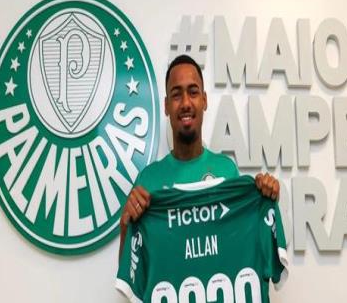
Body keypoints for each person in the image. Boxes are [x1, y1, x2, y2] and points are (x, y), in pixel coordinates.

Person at [118, 54, 280, 255]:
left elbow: (245, 247)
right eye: (176, 95)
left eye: (193, 92)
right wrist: (125, 226)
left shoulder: (226, 171)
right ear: (166, 106)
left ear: (204, 100)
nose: (186, 103)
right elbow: (129, 268)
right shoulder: (147, 181)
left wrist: (266, 199)